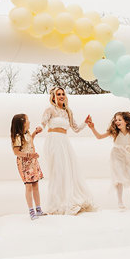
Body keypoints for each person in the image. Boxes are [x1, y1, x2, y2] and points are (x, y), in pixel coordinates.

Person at [39, 87, 96, 215]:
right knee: (57, 171)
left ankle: (66, 201)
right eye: (58, 94)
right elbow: (42, 123)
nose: (61, 96)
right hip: (53, 141)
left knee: (68, 171)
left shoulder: (68, 112)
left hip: (64, 142)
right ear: (53, 97)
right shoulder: (50, 110)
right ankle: (55, 204)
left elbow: (75, 129)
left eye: (63, 94)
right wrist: (37, 129)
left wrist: (85, 123)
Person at [86, 111, 130, 210]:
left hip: (129, 154)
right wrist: (92, 128)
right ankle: (120, 201)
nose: (117, 122)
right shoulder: (114, 132)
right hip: (117, 155)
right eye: (115, 120)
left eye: (119, 120)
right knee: (119, 178)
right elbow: (99, 137)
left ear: (126, 122)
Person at [10, 113, 46, 220]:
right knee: (28, 186)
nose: (29, 121)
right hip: (25, 164)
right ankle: (31, 211)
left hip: (32, 162)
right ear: (23, 123)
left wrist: (35, 133)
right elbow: (16, 152)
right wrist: (30, 155)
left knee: (35, 185)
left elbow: (29, 141)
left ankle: (38, 209)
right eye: (27, 120)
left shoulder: (27, 133)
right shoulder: (17, 137)